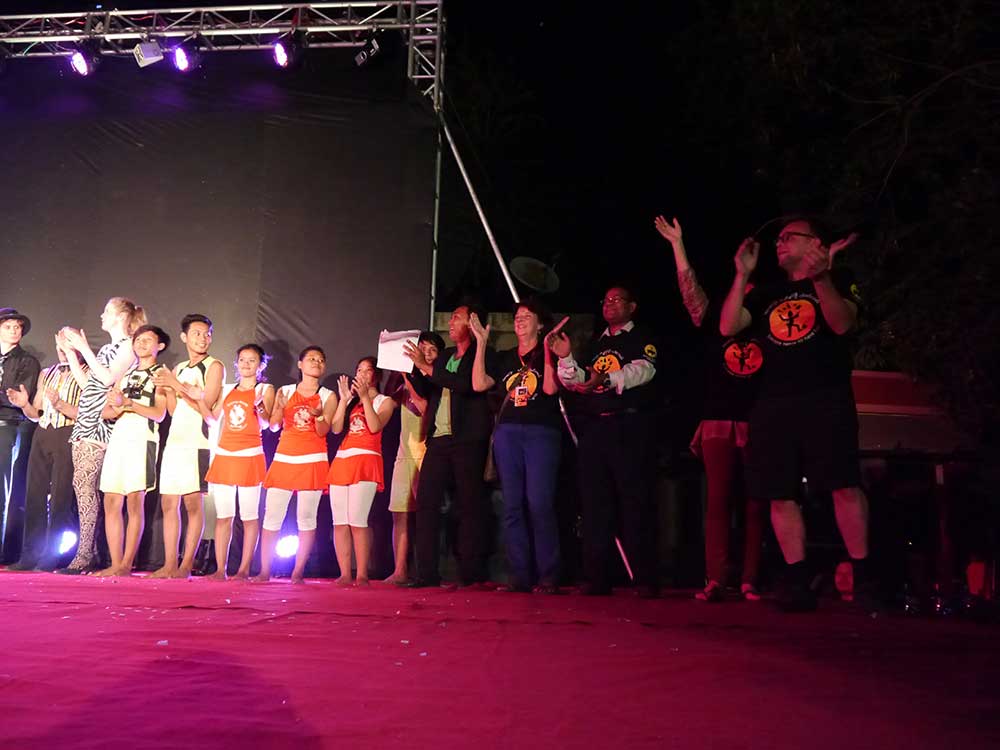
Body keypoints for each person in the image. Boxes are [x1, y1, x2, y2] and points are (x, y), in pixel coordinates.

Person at [718, 217, 870, 612]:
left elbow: (842, 324)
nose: (779, 243)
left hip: (825, 397)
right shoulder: (767, 293)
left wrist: (821, 278)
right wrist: (741, 274)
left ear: (815, 243)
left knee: (842, 483)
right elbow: (728, 326)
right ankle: (797, 580)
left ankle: (865, 577)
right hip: (773, 401)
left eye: (789, 237)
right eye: (779, 238)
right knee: (778, 491)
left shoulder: (840, 279)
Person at [656, 215, 767, 602]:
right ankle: (715, 578)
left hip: (758, 420)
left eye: (751, 289)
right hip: (718, 419)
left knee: (757, 502)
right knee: (718, 501)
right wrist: (677, 245)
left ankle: (751, 579)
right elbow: (690, 291)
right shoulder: (717, 314)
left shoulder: (768, 318)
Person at [550, 285, 660, 596]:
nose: (609, 304)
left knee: (634, 500)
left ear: (632, 306)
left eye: (616, 299)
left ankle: (644, 577)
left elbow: (644, 370)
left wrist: (608, 379)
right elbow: (577, 381)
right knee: (595, 502)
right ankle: (597, 576)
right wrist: (566, 357)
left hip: (629, 425)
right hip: (595, 427)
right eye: (606, 300)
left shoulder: (640, 337)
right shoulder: (596, 343)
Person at [470, 300, 566, 593]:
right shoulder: (505, 358)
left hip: (541, 432)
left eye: (527, 316)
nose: (520, 320)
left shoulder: (549, 353)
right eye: (517, 316)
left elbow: (550, 388)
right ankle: (519, 576)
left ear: (540, 324)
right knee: (512, 505)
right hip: (508, 432)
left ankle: (548, 575)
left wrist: (548, 350)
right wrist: (481, 344)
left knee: (539, 503)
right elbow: (478, 384)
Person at [403, 303, 495, 588]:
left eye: (457, 317)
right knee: (426, 503)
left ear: (473, 322)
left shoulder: (483, 355)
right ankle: (426, 573)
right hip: (439, 439)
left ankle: (471, 572)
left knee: (468, 505)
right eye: (451, 317)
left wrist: (426, 367)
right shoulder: (445, 356)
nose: (451, 322)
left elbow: (466, 384)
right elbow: (428, 389)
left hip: (468, 438)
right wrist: (410, 368)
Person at [58, 298, 144, 573]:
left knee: (87, 486)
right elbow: (89, 384)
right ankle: (90, 550)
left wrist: (84, 348)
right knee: (82, 487)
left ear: (120, 316)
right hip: (86, 420)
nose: (101, 316)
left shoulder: (128, 346)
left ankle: (86, 553)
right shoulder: (107, 348)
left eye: (106, 311)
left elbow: (108, 379)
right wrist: (71, 354)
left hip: (101, 424)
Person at [150, 313, 224, 578]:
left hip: (197, 443)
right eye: (197, 333)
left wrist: (176, 385)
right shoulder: (180, 367)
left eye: (207, 334)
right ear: (184, 337)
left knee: (193, 504)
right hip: (175, 443)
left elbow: (207, 404)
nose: (203, 338)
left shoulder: (214, 366)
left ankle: (186, 565)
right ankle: (170, 564)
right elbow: (173, 410)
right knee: (169, 503)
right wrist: (167, 389)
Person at [255, 346, 337, 584]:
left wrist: (318, 415)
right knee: (272, 517)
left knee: (307, 518)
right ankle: (264, 570)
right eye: (311, 358)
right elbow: (273, 426)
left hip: (312, 461)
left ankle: (298, 572)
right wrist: (273, 407)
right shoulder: (286, 391)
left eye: (321, 359)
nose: (316, 362)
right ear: (300, 364)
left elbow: (323, 431)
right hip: (284, 459)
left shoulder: (328, 396)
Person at [95, 325, 169, 577]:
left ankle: (127, 563)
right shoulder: (126, 374)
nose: (142, 343)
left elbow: (159, 414)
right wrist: (117, 406)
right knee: (111, 499)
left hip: (142, 439)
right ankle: (115, 563)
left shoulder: (161, 374)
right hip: (119, 438)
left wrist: (128, 404)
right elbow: (107, 412)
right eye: (138, 339)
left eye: (148, 340)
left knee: (135, 500)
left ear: (160, 346)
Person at [5, 332, 78, 571]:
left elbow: (88, 412)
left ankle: (52, 555)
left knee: (60, 497)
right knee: (34, 494)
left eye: (69, 344)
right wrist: (24, 404)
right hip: (43, 432)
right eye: (60, 344)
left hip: (67, 432)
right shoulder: (47, 373)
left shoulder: (85, 373)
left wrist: (60, 405)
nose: (63, 349)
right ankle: (30, 554)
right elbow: (37, 413)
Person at [204, 344, 275, 580]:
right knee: (224, 516)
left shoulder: (265, 389)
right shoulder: (226, 390)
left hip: (250, 457)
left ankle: (244, 569)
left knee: (249, 516)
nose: (246, 364)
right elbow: (213, 419)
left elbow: (267, 424)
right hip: (225, 456)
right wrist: (197, 399)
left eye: (252, 360)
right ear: (236, 363)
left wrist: (260, 406)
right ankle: (220, 569)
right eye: (242, 360)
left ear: (261, 365)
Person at [328, 357, 396, 586]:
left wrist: (366, 398)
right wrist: (344, 400)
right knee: (340, 521)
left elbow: (375, 426)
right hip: (342, 461)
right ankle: (345, 573)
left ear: (377, 375)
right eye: (359, 370)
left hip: (366, 461)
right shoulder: (351, 401)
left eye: (367, 370)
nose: (362, 374)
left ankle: (362, 573)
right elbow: (336, 428)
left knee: (358, 519)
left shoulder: (385, 401)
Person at [383, 331, 443, 584]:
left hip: (426, 453)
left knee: (425, 514)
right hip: (403, 454)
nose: (425, 353)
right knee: (400, 512)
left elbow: (425, 408)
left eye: (431, 350)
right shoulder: (403, 381)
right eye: (422, 348)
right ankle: (399, 569)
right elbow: (388, 403)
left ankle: (425, 569)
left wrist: (410, 376)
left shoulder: (436, 381)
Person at [0, 308, 41, 564]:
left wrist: (9, 397)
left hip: (7, 425)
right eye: (8, 326)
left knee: (2, 489)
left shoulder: (27, 361)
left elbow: (16, 397)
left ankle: (5, 550)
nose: (14, 330)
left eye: (17, 327)